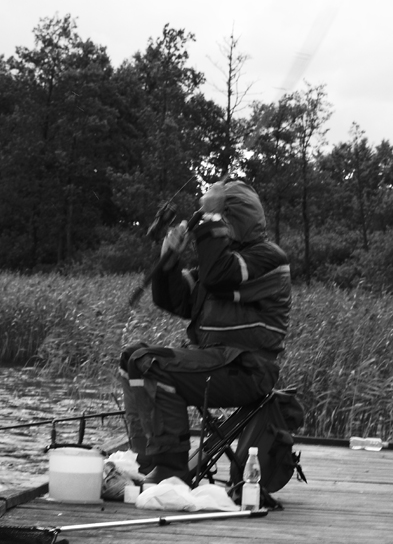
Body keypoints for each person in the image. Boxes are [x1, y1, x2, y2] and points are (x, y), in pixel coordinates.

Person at [119, 179, 292, 483]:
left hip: (249, 369)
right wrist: (169, 258)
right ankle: (147, 461)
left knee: (151, 364)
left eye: (222, 218)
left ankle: (171, 468)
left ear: (236, 218)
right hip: (219, 362)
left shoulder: (269, 259)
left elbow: (219, 276)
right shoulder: (218, 265)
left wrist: (210, 217)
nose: (216, 225)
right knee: (131, 357)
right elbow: (172, 299)